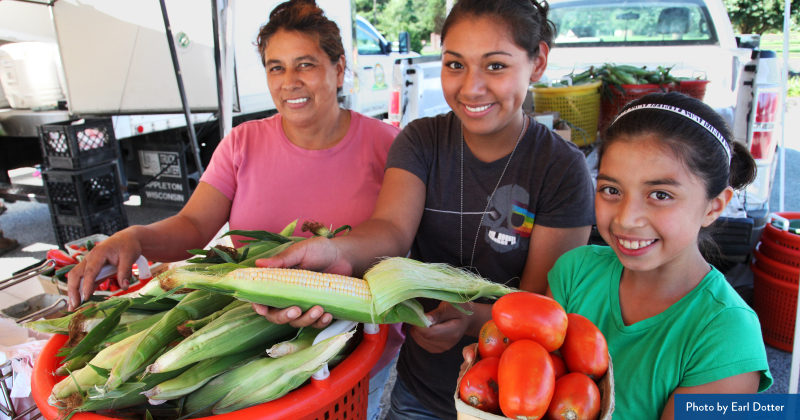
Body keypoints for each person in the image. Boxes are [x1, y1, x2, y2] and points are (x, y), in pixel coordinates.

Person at [255, 1, 595, 418]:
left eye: (495, 67)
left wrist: (469, 320)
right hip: (419, 394)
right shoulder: (422, 141)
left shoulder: (561, 168)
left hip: (508, 399)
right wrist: (334, 253)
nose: (471, 88)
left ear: (537, 61)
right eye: (455, 64)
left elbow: (538, 304)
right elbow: (391, 230)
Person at [66, 1, 402, 418]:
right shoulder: (243, 143)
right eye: (275, 67)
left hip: (348, 353)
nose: (289, 82)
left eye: (305, 65)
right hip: (244, 353)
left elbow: (401, 241)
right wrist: (134, 237)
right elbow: (193, 225)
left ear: (338, 68)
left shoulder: (389, 147)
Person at [461, 92, 772, 419]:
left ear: (714, 206)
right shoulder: (575, 271)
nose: (626, 218)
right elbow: (538, 367)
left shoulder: (729, 336)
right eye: (611, 190)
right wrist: (497, 367)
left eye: (660, 195)